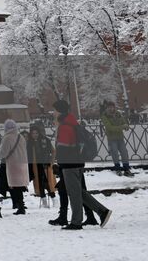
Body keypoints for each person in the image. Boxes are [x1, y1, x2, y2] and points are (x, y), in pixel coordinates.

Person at [52, 99, 111, 231]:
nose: (53, 112)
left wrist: (59, 162)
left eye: (54, 110)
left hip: (69, 164)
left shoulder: (65, 126)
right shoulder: (71, 122)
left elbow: (64, 147)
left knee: (74, 194)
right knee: (78, 191)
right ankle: (102, 212)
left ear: (59, 110)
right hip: (76, 162)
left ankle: (76, 222)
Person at [0, 120, 29, 216]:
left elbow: (3, 153)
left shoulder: (7, 138)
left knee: (15, 186)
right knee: (20, 186)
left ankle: (20, 207)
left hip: (13, 164)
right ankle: (21, 206)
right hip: (23, 163)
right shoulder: (21, 137)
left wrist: (0, 156)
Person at [26, 122, 55, 208]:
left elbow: (53, 151)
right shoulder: (30, 143)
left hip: (44, 165)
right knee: (39, 183)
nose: (35, 135)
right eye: (33, 133)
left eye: (36, 133)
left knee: (46, 182)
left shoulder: (45, 140)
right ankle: (43, 199)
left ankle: (53, 198)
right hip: (35, 166)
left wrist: (51, 162)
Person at [100, 101, 130, 176]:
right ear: (107, 108)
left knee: (124, 153)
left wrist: (126, 126)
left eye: (112, 107)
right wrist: (122, 127)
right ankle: (118, 169)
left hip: (120, 137)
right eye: (109, 107)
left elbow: (123, 122)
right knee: (115, 154)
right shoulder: (104, 116)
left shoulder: (118, 114)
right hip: (112, 138)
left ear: (114, 107)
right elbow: (110, 128)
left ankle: (126, 169)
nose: (111, 108)